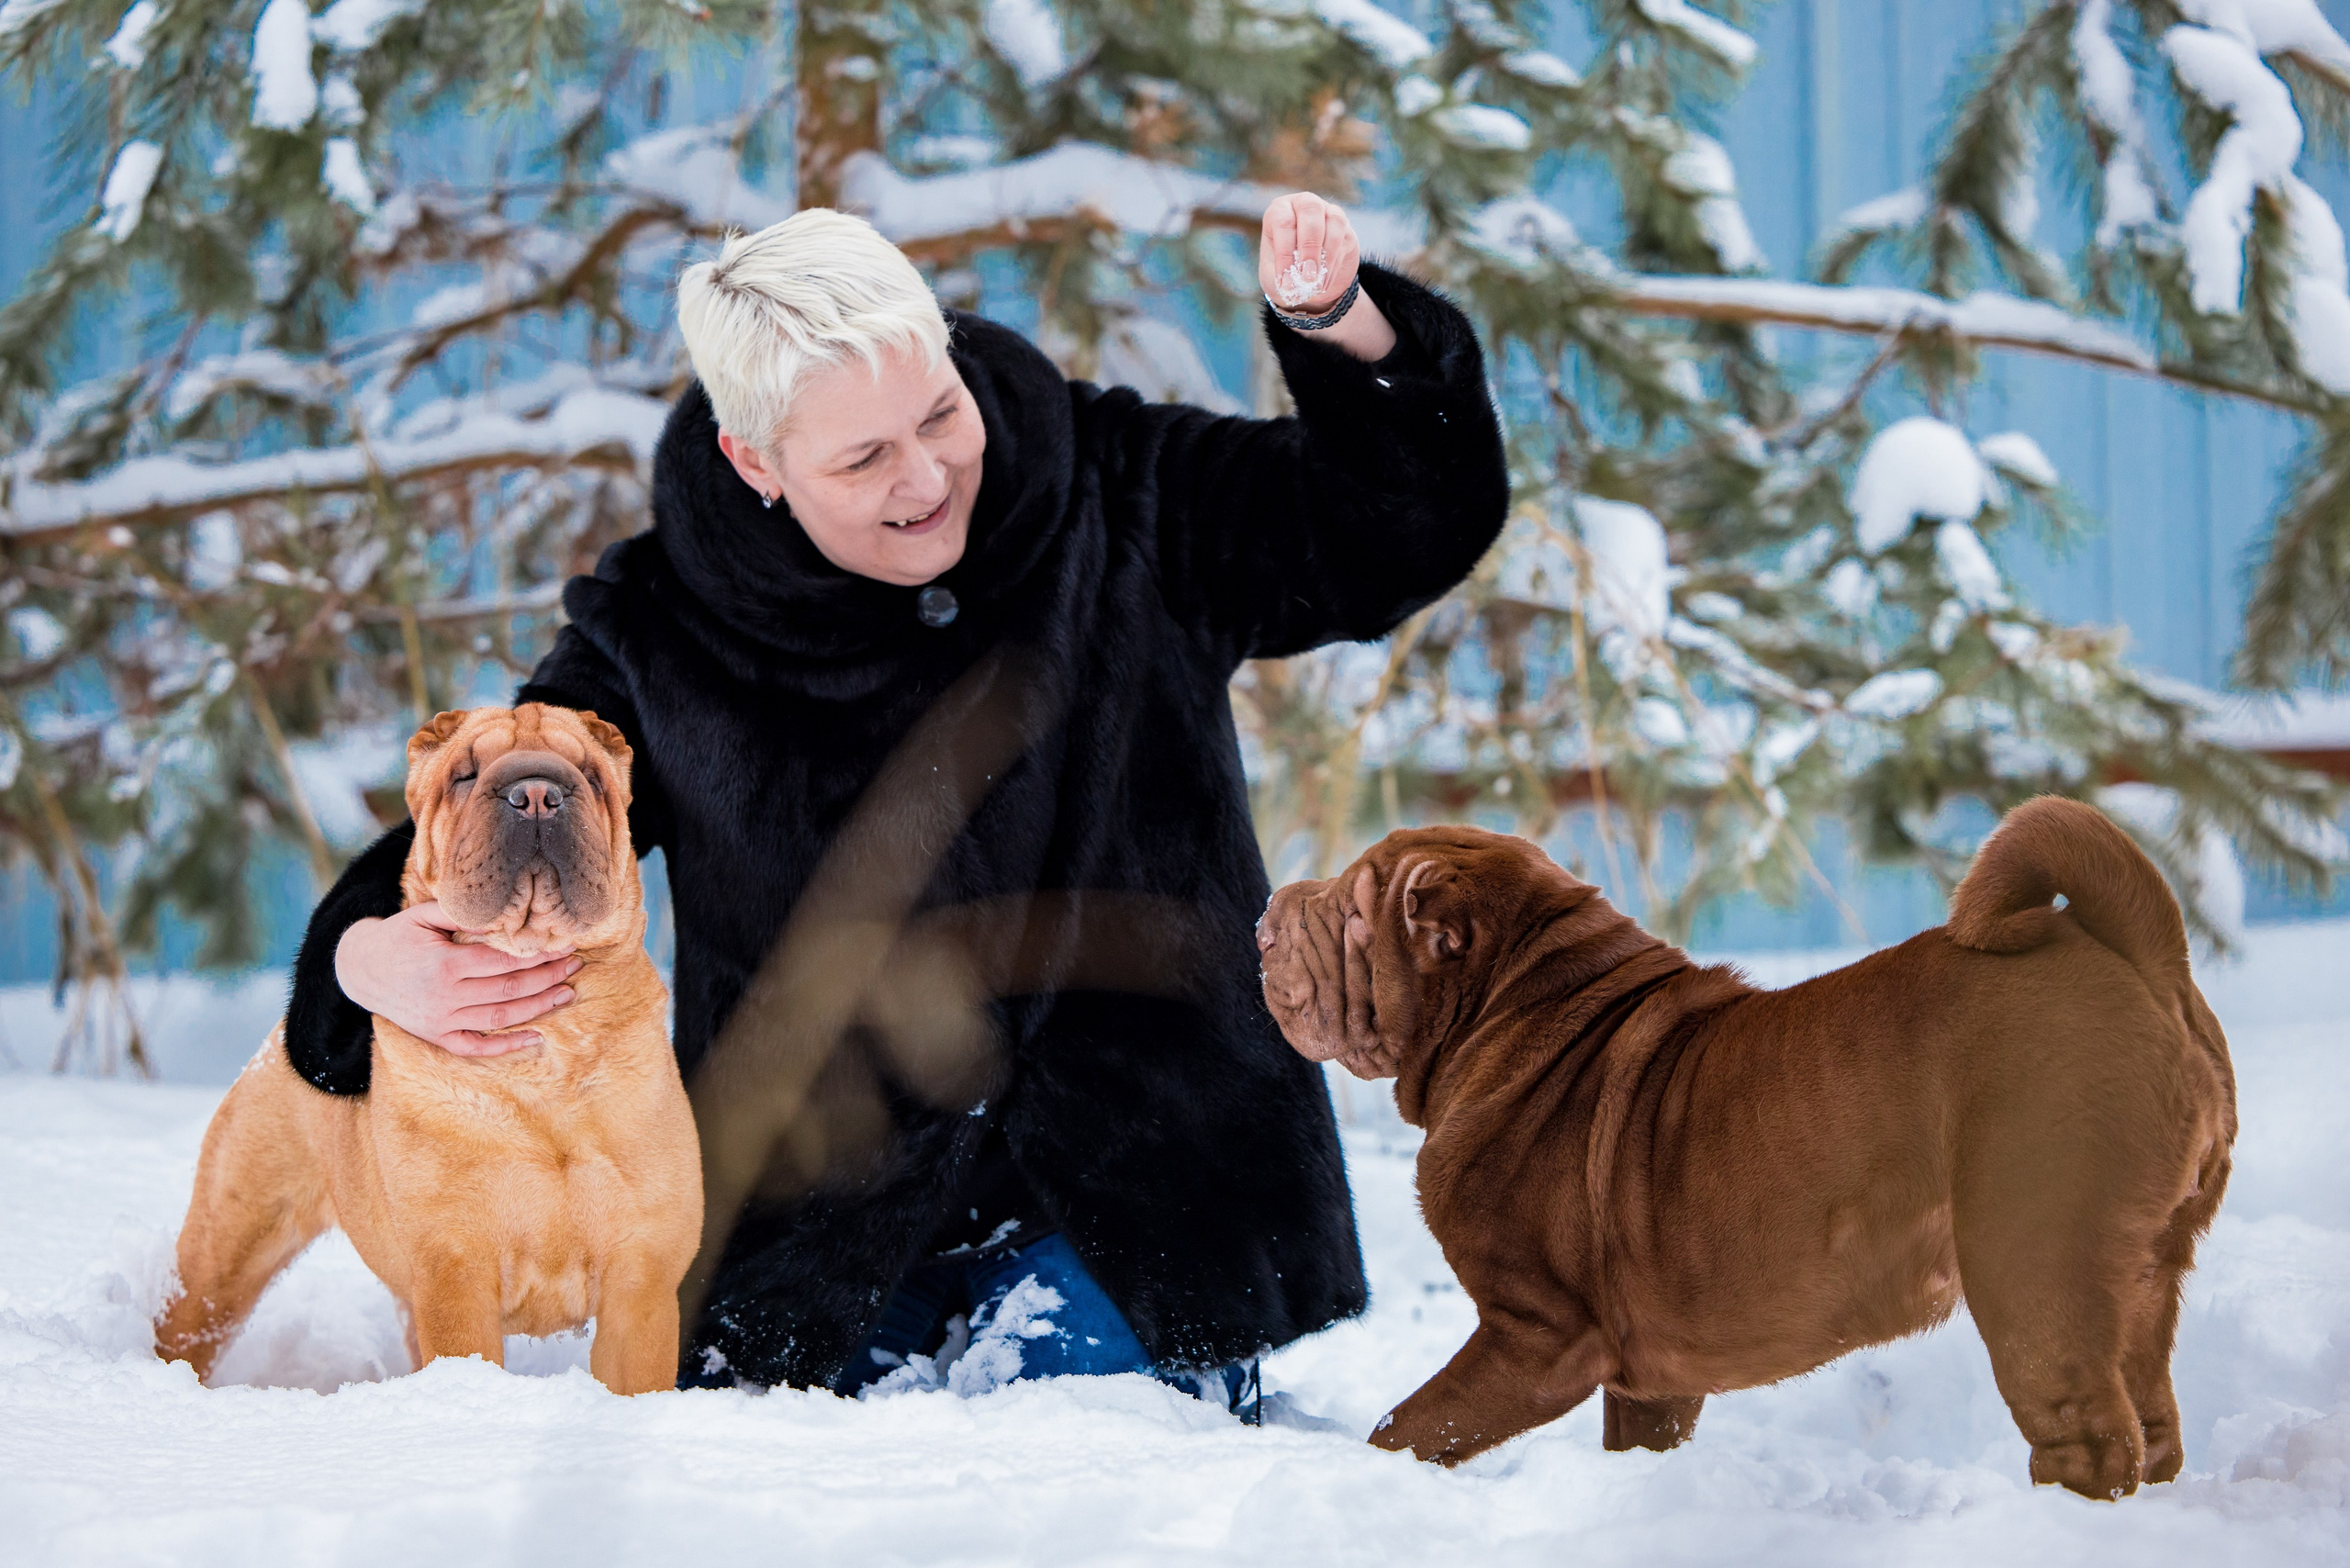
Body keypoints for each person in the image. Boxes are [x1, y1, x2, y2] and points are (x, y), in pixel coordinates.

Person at [286, 193, 1509, 1398]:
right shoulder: (665, 626)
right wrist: (364, 955)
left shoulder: (1122, 489)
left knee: (1063, 1465)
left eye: (940, 413)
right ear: (755, 460)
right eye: (864, 456)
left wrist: (1345, 327)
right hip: (815, 1237)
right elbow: (501, 803)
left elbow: (1394, 534)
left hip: (1148, 1193)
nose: (926, 476)